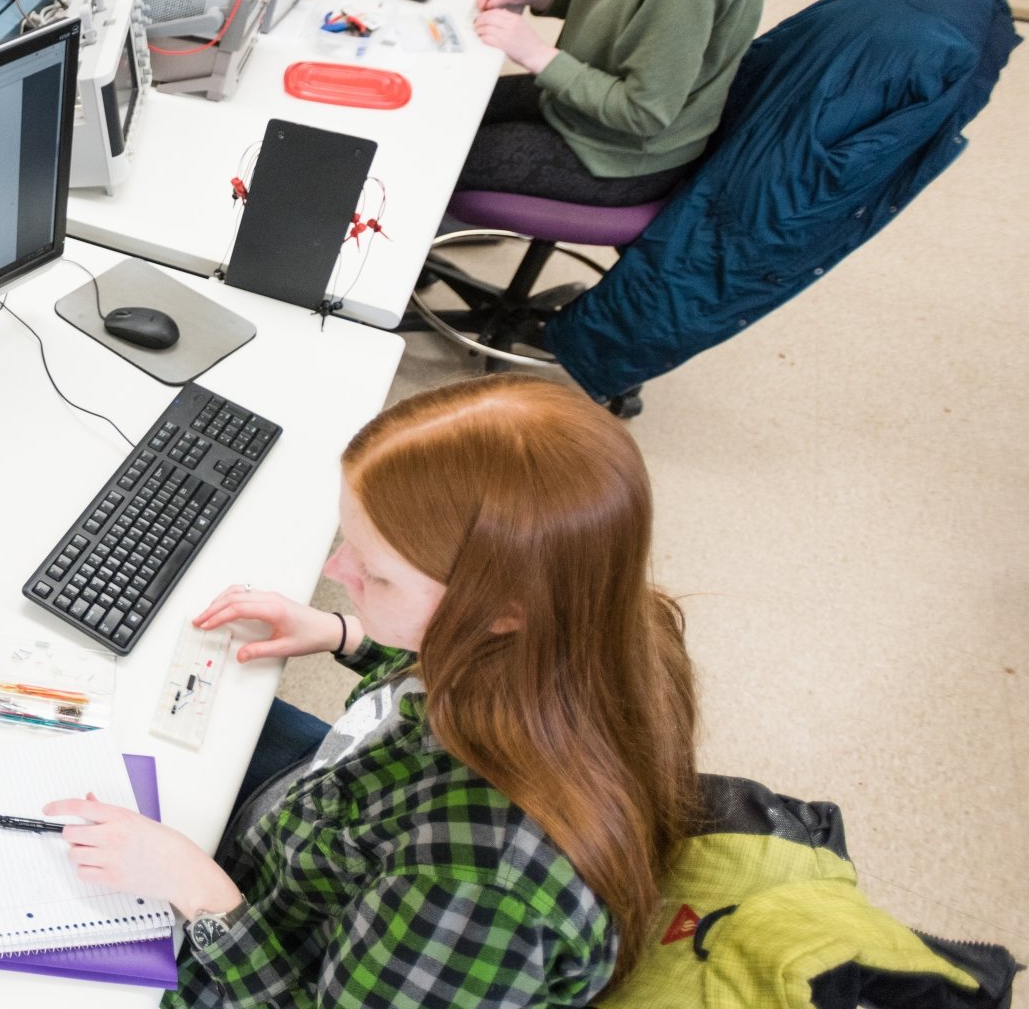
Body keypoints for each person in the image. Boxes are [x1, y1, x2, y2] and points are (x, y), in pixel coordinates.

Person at [48, 374, 701, 1006]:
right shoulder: (594, 623)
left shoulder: (481, 888)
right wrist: (344, 632)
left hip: (284, 940)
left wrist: (198, 890)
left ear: (502, 608)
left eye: (377, 574)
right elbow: (453, 660)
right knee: (138, 704)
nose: (335, 570)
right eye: (349, 543)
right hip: (326, 819)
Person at [460, 0, 763, 206]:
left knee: (433, 159)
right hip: (585, 96)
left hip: (623, 155)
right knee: (443, 110)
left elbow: (644, 112)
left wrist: (537, 55)